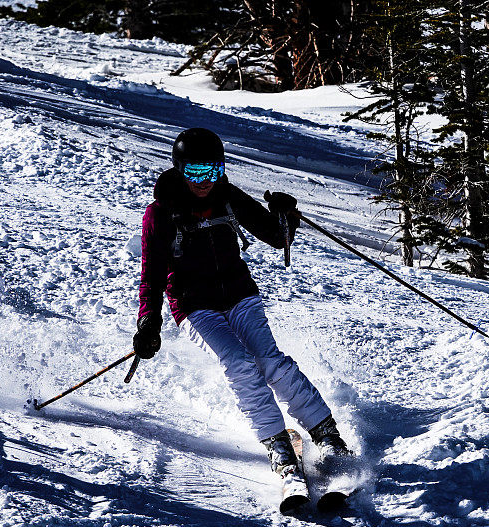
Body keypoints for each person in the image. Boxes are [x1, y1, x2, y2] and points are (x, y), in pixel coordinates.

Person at [132, 127, 350, 482]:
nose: (204, 182)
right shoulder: (160, 214)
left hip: (239, 293)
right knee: (238, 363)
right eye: (195, 173)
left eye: (212, 172)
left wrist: (284, 213)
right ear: (180, 169)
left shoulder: (227, 196)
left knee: (269, 361)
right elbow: (152, 276)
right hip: (194, 305)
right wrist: (148, 323)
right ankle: (277, 444)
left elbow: (276, 236)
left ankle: (326, 433)